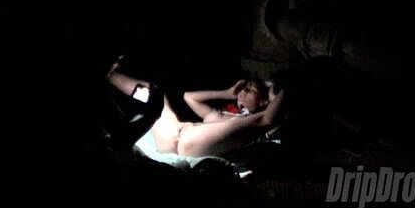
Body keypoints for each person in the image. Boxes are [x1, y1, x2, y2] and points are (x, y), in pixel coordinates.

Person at [105, 56, 286, 158]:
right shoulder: (227, 115)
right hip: (176, 132)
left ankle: (106, 73)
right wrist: (226, 93)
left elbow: (269, 119)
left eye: (251, 90)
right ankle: (109, 73)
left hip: (181, 144)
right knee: (153, 92)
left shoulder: (256, 126)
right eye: (246, 88)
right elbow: (190, 98)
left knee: (152, 97)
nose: (244, 91)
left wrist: (284, 88)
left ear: (264, 102)